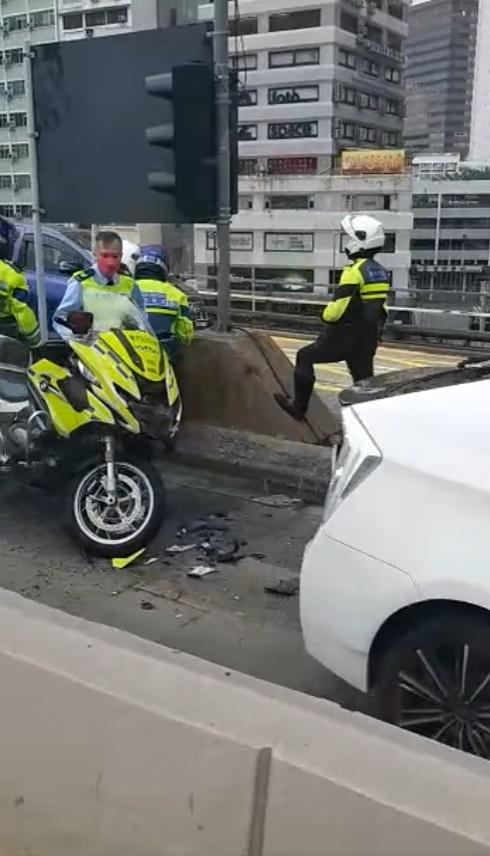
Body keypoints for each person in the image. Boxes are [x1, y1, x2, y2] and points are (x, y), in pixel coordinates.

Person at [275, 214, 390, 421]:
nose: (347, 243)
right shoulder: (380, 271)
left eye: (350, 238)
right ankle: (370, 422)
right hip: (368, 336)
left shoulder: (354, 271)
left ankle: (298, 408)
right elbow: (381, 307)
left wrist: (325, 314)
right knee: (363, 382)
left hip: (344, 336)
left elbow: (337, 309)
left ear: (361, 241)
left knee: (305, 356)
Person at [53, 230, 146, 341]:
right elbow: (61, 318)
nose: (110, 262)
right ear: (95, 255)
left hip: (122, 347)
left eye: (115, 256)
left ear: (121, 256)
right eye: (105, 256)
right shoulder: (81, 282)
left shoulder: (129, 284)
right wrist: (75, 340)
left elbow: (142, 322)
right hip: (91, 347)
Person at [134, 246, 194, 359]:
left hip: (132, 354)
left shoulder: (127, 289)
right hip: (165, 356)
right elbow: (185, 335)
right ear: (164, 268)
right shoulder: (178, 295)